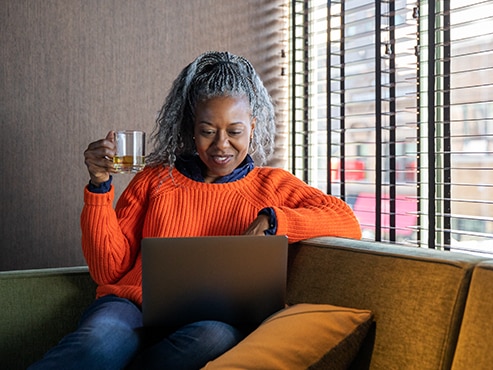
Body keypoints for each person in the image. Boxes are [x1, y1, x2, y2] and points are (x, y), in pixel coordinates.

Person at [29, 51, 362, 370]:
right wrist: (100, 188)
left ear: (253, 126)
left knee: (213, 338)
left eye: (234, 131)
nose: (220, 145)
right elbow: (108, 272)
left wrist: (274, 219)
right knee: (99, 341)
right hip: (131, 308)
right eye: (207, 131)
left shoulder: (272, 185)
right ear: (191, 128)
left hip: (210, 320)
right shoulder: (154, 180)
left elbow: (346, 220)